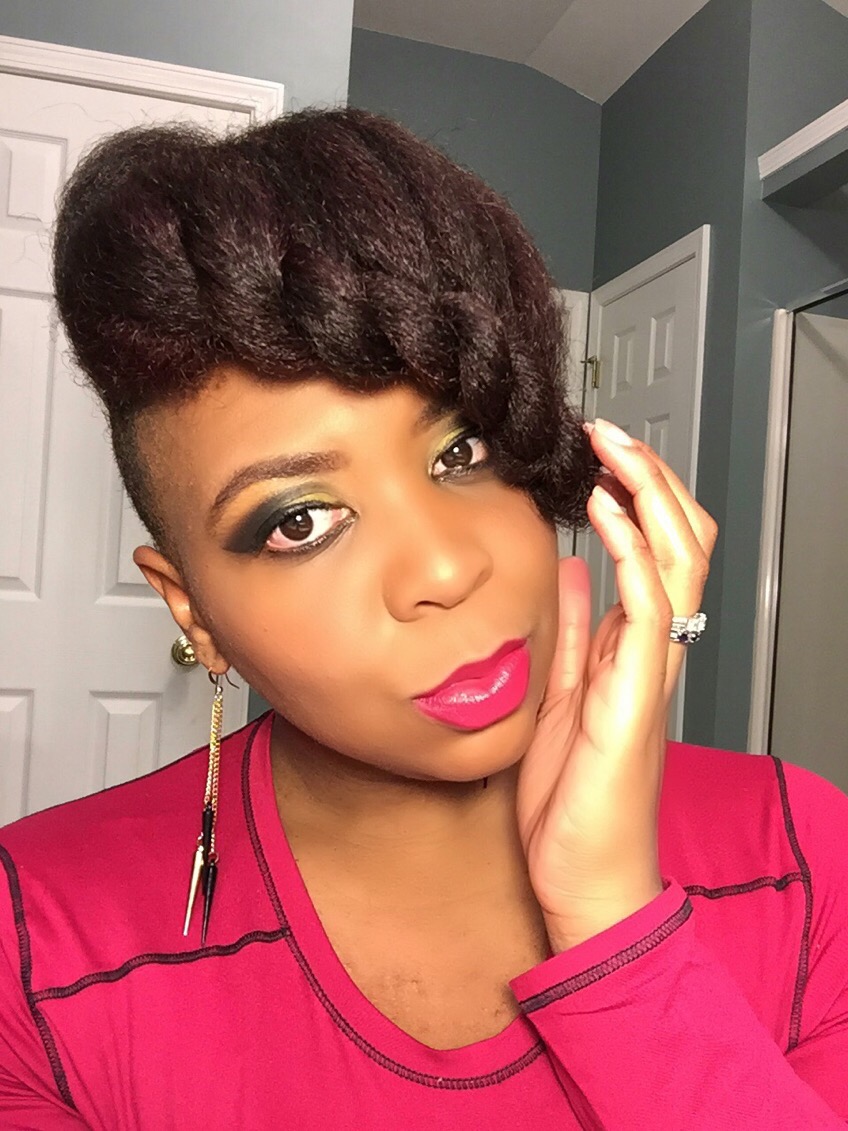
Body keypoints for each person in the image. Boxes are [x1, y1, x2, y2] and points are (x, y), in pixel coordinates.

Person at [0, 107, 845, 1130]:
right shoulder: (32, 954)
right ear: (194, 610)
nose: (445, 566)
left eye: (461, 452)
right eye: (301, 521)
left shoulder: (803, 856)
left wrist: (614, 928)